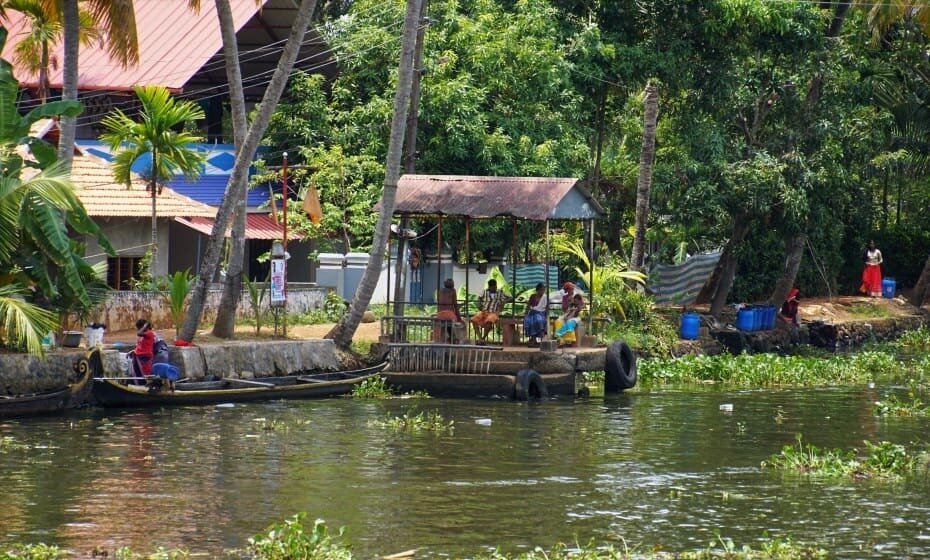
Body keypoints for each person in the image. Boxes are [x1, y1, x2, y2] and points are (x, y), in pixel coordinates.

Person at [434, 278, 464, 343]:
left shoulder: (440, 290)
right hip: (449, 314)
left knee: (446, 324)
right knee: (451, 322)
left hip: (440, 314)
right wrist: (459, 318)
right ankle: (453, 338)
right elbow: (455, 305)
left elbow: (439, 303)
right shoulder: (453, 291)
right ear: (452, 284)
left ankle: (450, 338)